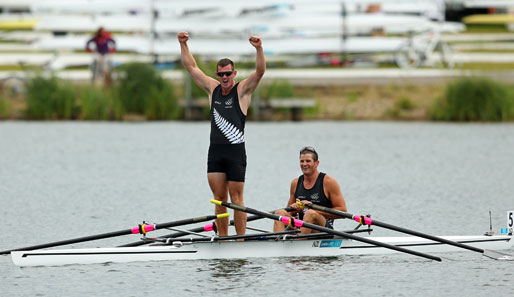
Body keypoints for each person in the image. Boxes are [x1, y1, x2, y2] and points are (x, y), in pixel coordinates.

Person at [177, 31, 266, 237]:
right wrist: (183, 44)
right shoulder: (212, 89)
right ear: (218, 75)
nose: (224, 78)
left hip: (236, 153)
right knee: (219, 199)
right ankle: (224, 240)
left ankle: (240, 240)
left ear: (234, 74)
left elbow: (260, 72)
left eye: (228, 74)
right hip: (215, 153)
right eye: (221, 74)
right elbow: (191, 67)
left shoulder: (242, 91)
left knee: (236, 199)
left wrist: (259, 49)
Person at [274, 146, 347, 234]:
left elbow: (343, 211)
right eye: (302, 161)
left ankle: (299, 244)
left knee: (310, 213)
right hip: (300, 226)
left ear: (316, 163)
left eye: (308, 161)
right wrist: (295, 209)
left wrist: (313, 208)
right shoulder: (295, 183)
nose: (304, 164)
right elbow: (290, 212)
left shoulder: (328, 182)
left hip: (323, 229)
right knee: (280, 213)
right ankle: (276, 243)